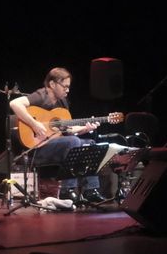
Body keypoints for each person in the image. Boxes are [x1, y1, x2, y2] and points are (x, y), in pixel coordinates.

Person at [10, 67, 109, 202]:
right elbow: (14, 103)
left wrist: (84, 129)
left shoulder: (63, 103)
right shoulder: (41, 95)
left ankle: (91, 190)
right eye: (65, 86)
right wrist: (34, 124)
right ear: (52, 84)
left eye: (68, 87)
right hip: (35, 148)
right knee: (73, 142)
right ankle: (67, 190)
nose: (67, 90)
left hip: (53, 145)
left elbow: (66, 130)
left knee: (88, 143)